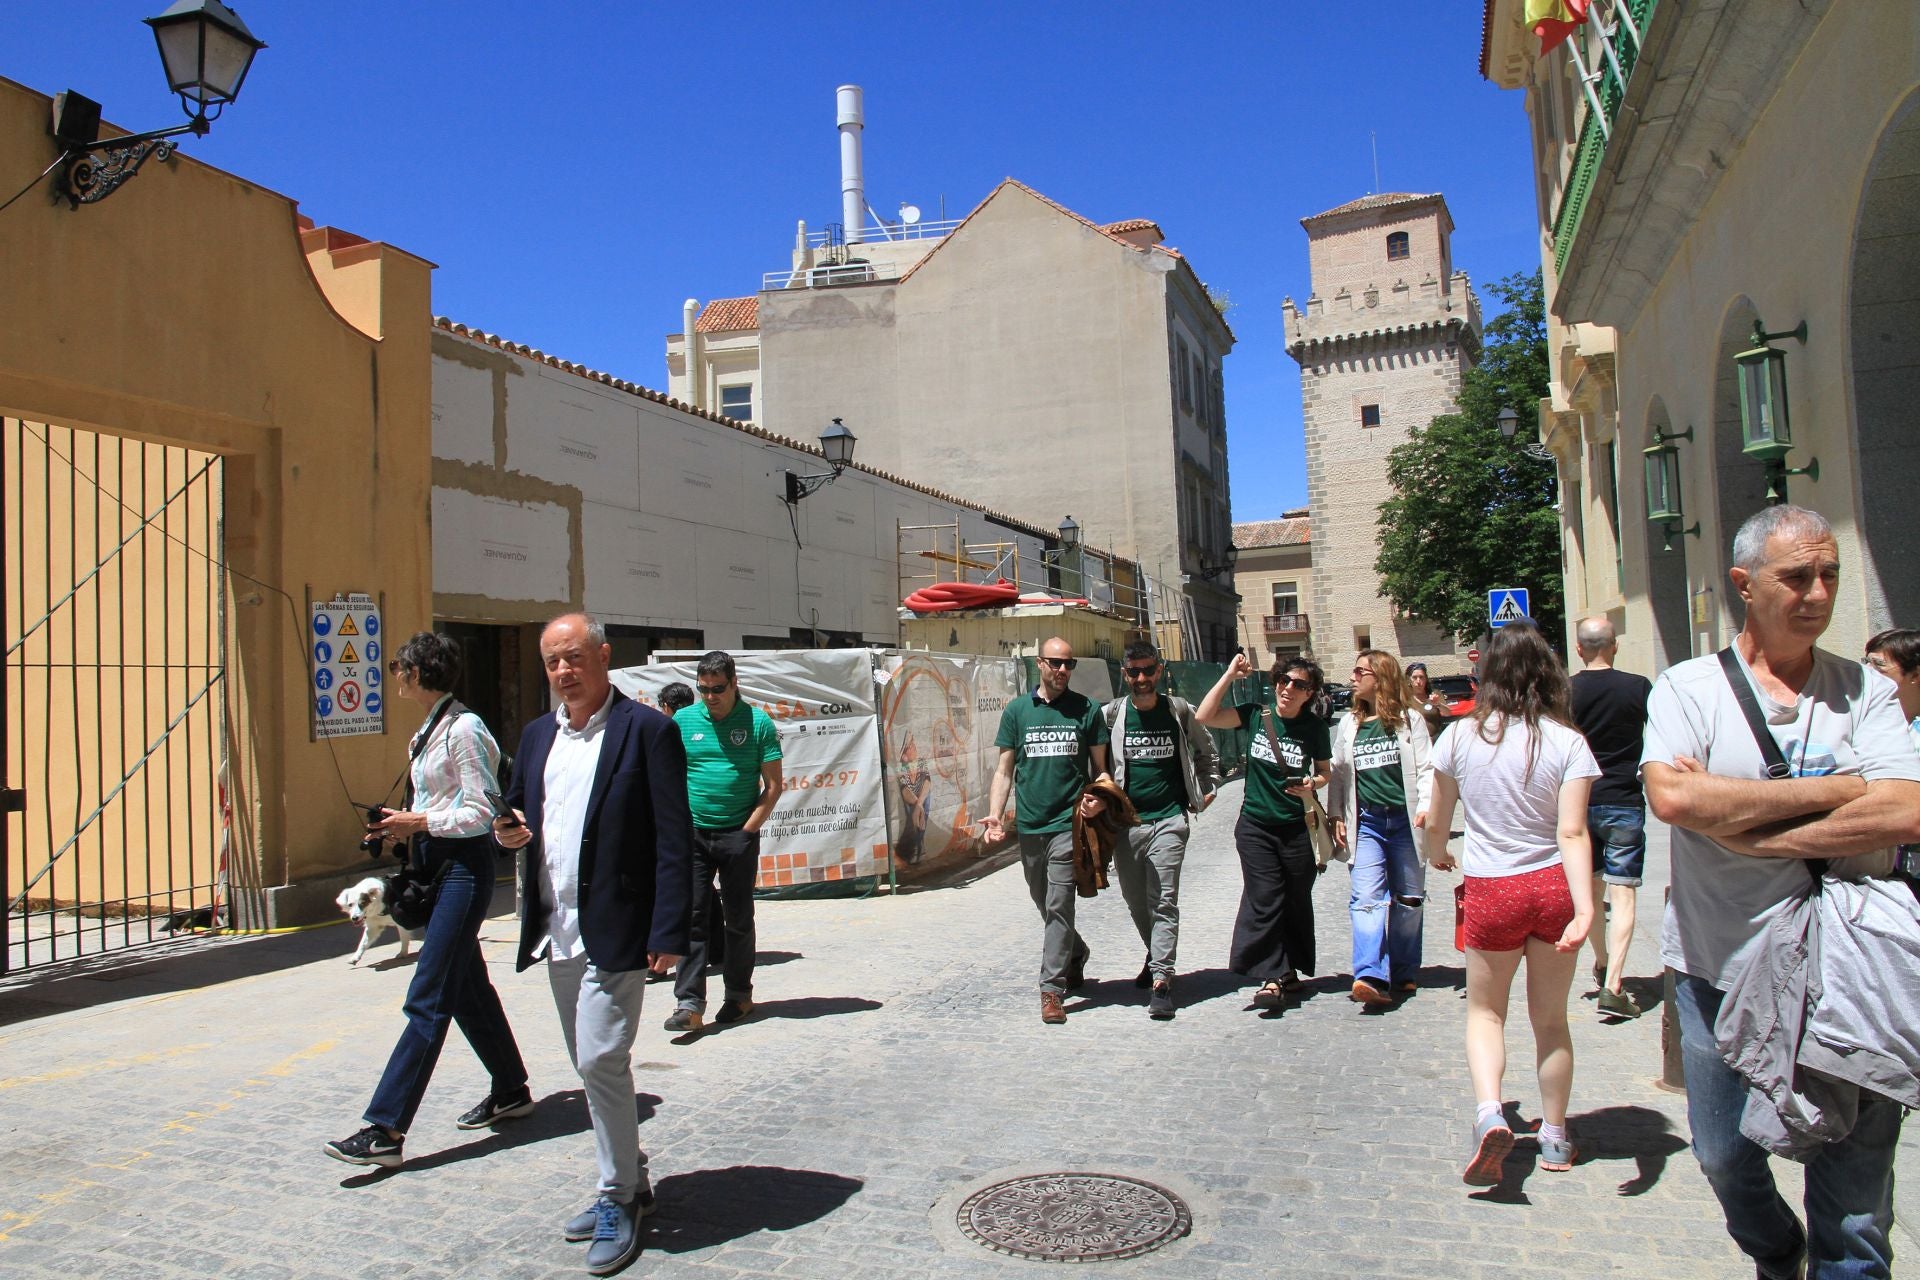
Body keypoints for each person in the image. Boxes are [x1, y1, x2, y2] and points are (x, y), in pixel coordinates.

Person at [1642, 507, 1920, 1280]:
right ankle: (1776, 1250)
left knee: (1857, 1212)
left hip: (1854, 972)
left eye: (1829, 574)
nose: (1819, 592)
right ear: (1745, 585)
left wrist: (1751, 829)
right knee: (1724, 1156)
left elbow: (1907, 808)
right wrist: (1842, 790)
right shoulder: (1689, 689)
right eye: (1797, 576)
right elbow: (1675, 801)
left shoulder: (1863, 690)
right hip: (1718, 965)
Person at [493, 613, 693, 1277]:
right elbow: (521, 811)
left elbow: (672, 837)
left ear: (604, 657)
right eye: (551, 662)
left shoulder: (648, 732)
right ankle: (630, 1174)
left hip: (619, 926)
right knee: (588, 1063)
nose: (562, 673)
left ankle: (617, 1199)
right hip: (557, 926)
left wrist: (670, 930)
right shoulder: (533, 737)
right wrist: (509, 829)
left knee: (603, 1058)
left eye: (573, 657)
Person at [325, 632, 533, 1171]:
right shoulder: (429, 728)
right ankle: (511, 1088)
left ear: (416, 673)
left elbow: (482, 812)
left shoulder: (463, 728)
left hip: (465, 869)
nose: (395, 674)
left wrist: (417, 821)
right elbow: (440, 804)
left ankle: (385, 1129)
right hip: (436, 863)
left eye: (399, 666)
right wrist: (398, 830)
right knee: (468, 991)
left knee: (428, 994)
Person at [1423, 621, 1597, 1185]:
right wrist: (1586, 904)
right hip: (1551, 886)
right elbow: (1572, 833)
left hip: (1492, 887)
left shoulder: (1460, 737)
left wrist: (1436, 852)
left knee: (1485, 1011)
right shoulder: (1568, 741)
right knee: (1550, 1020)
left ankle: (1490, 1112)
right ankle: (1554, 1135)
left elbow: (1440, 820)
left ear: (1487, 673)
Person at [984, 636, 1111, 1025]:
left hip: (1067, 824)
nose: (1062, 671)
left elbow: (1102, 769)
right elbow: (1005, 770)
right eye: (1055, 663)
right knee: (1041, 899)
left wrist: (1100, 796)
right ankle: (1075, 952)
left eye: (1068, 664)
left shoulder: (1087, 710)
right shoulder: (1018, 711)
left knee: (1059, 903)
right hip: (1030, 826)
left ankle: (1052, 990)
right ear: (1039, 663)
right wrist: (995, 815)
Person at [1195, 652, 1333, 1009]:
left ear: (1310, 692)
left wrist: (1310, 783)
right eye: (1284, 681)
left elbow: (1325, 772)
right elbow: (1204, 716)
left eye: (1299, 685)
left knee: (1294, 900)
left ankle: (1288, 970)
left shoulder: (1314, 728)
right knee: (1265, 896)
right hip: (1256, 826)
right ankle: (1271, 977)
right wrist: (1228, 674)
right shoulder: (1257, 714)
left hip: (1297, 828)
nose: (1288, 688)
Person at [1100, 640, 1221, 1020]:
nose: (1141, 678)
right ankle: (1156, 954)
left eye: (1147, 670)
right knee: (1137, 901)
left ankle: (1162, 980)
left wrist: (1209, 785)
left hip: (1169, 820)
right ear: (1125, 674)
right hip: (1126, 826)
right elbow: (1096, 763)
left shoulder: (1179, 710)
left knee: (1163, 899)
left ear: (1159, 670)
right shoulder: (1111, 715)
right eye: (1133, 671)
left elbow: (1207, 752)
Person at [666, 651, 783, 1033]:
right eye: (703, 690)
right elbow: (667, 777)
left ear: (734, 684)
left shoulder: (758, 723)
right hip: (695, 835)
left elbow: (774, 787)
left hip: (738, 834)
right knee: (693, 916)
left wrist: (746, 832)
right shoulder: (682, 722)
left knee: (738, 918)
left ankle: (738, 996)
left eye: (717, 689)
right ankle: (689, 1004)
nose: (710, 697)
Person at [1326, 648, 1434, 1007]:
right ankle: (1370, 973)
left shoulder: (1409, 721)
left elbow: (1426, 770)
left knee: (1409, 901)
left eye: (1360, 672)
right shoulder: (1348, 724)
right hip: (1368, 821)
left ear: (1381, 678)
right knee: (1366, 899)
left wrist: (1426, 808)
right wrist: (1336, 815)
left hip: (1405, 820)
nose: (1353, 678)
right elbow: (1340, 775)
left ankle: (1403, 970)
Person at [1569, 616, 1653, 1020]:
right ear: (1614, 645)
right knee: (1623, 894)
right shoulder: (1638, 688)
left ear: (1579, 648)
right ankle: (1615, 983)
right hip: (1623, 800)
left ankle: (1601, 960)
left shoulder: (1564, 692)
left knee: (1591, 892)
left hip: (1579, 801)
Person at [1406, 661, 1451, 737]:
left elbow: (1448, 713)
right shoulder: (1405, 697)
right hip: (1416, 742)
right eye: (1414, 677)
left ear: (1426, 679)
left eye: (1421, 677)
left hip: (1434, 741)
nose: (1418, 681)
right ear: (1409, 680)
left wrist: (1438, 704)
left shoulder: (1434, 694)